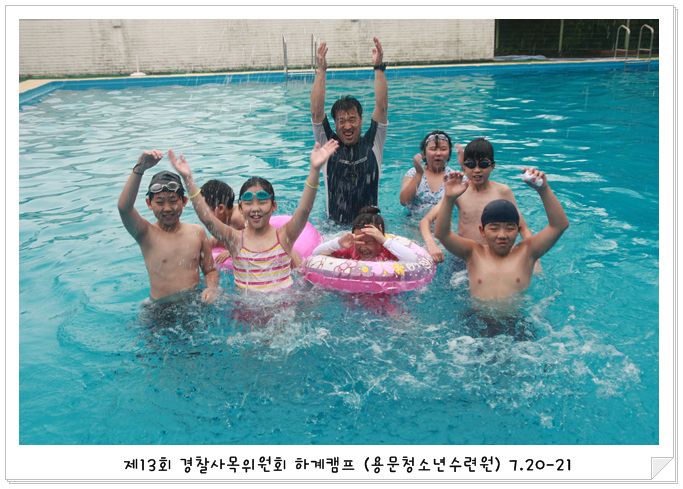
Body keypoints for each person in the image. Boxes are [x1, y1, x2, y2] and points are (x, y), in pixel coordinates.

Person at [167, 139, 339, 293]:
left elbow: (304, 210)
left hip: (283, 312)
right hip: (247, 313)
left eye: (262, 202)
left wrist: (315, 170)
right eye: (248, 203)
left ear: (274, 206)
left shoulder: (285, 235)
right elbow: (207, 219)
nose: (255, 208)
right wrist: (188, 180)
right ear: (241, 208)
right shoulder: (234, 239)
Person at [433, 167, 569, 301]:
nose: (502, 235)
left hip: (516, 316)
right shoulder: (473, 252)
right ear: (482, 231)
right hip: (475, 315)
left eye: (510, 228)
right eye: (494, 228)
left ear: (518, 230)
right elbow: (442, 234)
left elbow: (559, 226)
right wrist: (449, 199)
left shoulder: (527, 252)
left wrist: (544, 189)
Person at [117, 150, 220, 303]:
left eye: (173, 201)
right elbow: (124, 208)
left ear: (184, 201)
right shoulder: (146, 233)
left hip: (193, 302)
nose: (167, 208)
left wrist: (211, 288)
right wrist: (139, 169)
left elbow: (210, 270)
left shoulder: (197, 232)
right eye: (160, 202)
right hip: (161, 308)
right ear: (149, 203)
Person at [419, 138, 535, 265]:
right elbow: (425, 221)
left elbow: (523, 228)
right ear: (464, 166)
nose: (477, 170)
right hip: (463, 257)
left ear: (492, 166)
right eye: (471, 165)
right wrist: (431, 244)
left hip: (493, 258)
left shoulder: (503, 191)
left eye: (483, 165)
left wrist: (533, 257)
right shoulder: (459, 192)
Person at [310, 37, 388, 225]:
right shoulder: (328, 143)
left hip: (370, 227)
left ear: (361, 120)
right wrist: (321, 71)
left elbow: (382, 107)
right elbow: (316, 112)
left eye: (352, 120)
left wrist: (378, 68)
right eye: (341, 121)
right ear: (335, 124)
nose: (347, 126)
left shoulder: (374, 142)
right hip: (334, 227)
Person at [312, 206, 418, 262]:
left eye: (369, 242)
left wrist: (384, 240)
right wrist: (338, 243)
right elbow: (315, 255)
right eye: (359, 241)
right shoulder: (351, 248)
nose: (363, 248)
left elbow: (413, 259)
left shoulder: (388, 250)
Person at [199, 179, 245, 265]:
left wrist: (232, 250)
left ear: (220, 209)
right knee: (211, 242)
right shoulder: (228, 216)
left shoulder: (238, 218)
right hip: (239, 235)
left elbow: (256, 235)